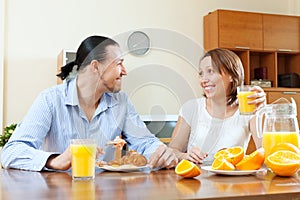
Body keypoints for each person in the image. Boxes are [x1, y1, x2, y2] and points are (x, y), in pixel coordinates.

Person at [1, 35, 177, 171]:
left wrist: (162, 152)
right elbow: (11, 152)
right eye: (119, 63)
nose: (124, 71)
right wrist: (56, 160)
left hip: (105, 192)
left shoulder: (121, 102)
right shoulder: (50, 100)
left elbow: (145, 142)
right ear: (96, 67)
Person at [168, 48, 266, 165]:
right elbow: (173, 151)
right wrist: (186, 156)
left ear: (231, 75)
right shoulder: (191, 108)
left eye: (210, 71)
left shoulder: (248, 109)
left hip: (232, 181)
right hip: (195, 180)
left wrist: (262, 111)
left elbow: (265, 152)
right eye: (201, 73)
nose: (203, 79)